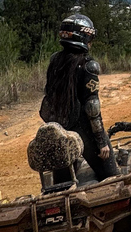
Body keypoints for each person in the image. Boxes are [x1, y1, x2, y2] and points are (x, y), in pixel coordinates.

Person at [39, 14, 119, 182]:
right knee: (112, 177)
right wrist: (101, 141)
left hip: (59, 130)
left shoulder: (55, 61)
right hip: (82, 130)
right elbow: (92, 108)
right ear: (84, 37)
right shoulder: (89, 65)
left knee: (63, 185)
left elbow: (49, 98)